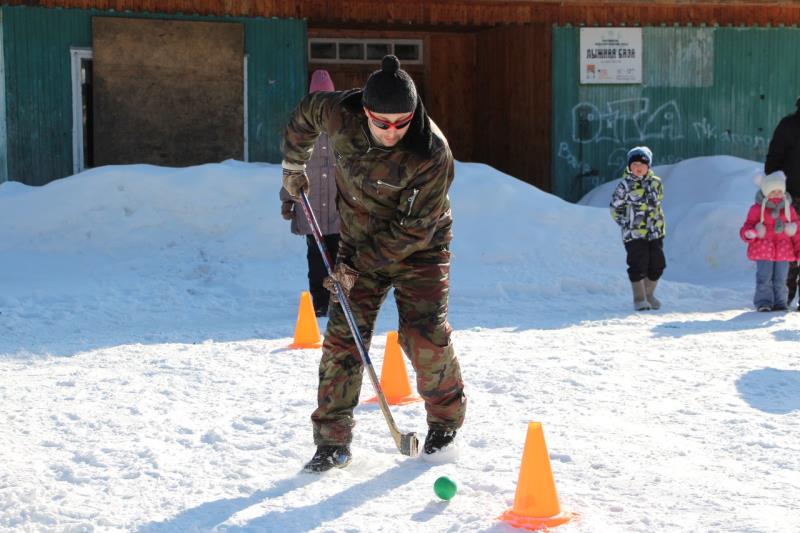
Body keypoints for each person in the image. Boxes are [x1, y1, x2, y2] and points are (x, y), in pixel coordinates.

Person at [281, 55, 467, 472]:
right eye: (382, 123)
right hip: (358, 239)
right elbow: (304, 115)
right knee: (344, 338)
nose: (392, 131)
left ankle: (445, 423)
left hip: (420, 247)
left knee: (423, 335)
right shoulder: (338, 113)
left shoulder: (431, 152)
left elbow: (413, 231)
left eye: (402, 122)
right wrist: (293, 167)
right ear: (365, 112)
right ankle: (332, 441)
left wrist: (354, 268)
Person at [280, 70, 340, 317]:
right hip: (310, 207)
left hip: (339, 209)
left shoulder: (343, 129)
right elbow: (291, 167)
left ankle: (339, 302)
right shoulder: (301, 130)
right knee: (316, 258)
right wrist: (287, 200)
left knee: (340, 258)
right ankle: (319, 302)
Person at [609, 146, 666, 311]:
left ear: (648, 166)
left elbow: (658, 202)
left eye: (642, 164)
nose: (638, 167)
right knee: (638, 264)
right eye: (634, 164)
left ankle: (649, 294)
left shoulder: (656, 183)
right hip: (634, 233)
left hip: (655, 232)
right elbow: (615, 207)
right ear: (629, 166)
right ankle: (639, 298)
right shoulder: (625, 185)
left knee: (657, 264)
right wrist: (626, 222)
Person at [739, 171, 800, 312]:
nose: (776, 194)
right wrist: (750, 233)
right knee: (764, 278)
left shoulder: (788, 209)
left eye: (779, 191)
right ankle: (764, 303)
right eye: (772, 191)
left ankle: (780, 303)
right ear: (765, 192)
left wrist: (798, 251)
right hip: (763, 249)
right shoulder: (756, 209)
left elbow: (797, 232)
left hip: (783, 251)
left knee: (781, 279)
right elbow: (747, 226)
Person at [765, 98, 800, 310]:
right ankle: (783, 296)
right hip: (789, 199)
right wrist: (776, 192)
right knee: (788, 247)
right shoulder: (788, 126)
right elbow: (773, 162)